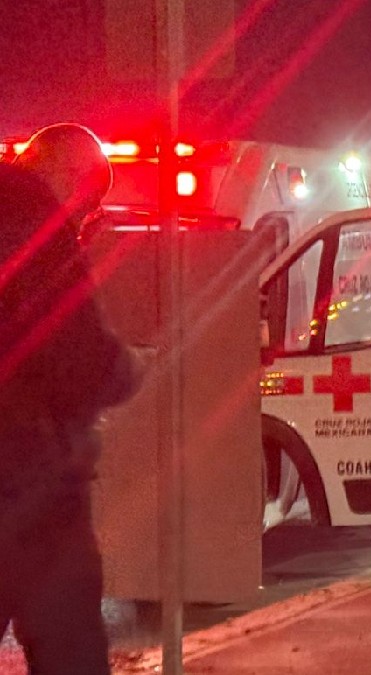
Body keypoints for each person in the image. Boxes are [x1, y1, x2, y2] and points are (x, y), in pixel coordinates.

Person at [0, 123, 141, 674]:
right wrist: (132, 366)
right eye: (87, 209)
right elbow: (79, 357)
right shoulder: (31, 214)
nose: (81, 228)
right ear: (72, 181)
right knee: (71, 651)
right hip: (28, 480)